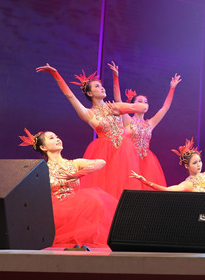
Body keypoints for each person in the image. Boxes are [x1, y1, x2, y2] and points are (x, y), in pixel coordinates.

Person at [36, 63, 145, 198]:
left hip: (124, 151)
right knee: (106, 188)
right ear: (89, 93)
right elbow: (70, 96)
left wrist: (122, 110)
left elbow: (143, 108)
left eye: (101, 86)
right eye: (97, 86)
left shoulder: (115, 106)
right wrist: (55, 74)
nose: (102, 88)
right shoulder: (89, 113)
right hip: (104, 152)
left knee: (125, 185)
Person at [19, 129, 116, 248]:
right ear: (43, 147)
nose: (57, 139)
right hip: (55, 210)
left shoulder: (74, 164)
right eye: (51, 138)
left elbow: (101, 162)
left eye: (57, 137)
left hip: (76, 206)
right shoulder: (42, 169)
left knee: (95, 201)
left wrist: (77, 174)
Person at [112, 64, 182, 189]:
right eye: (139, 101)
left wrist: (172, 88)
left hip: (146, 162)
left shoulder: (150, 123)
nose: (143, 104)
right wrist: (115, 77)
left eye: (145, 102)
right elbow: (118, 100)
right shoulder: (127, 119)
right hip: (128, 160)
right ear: (133, 105)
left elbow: (165, 108)